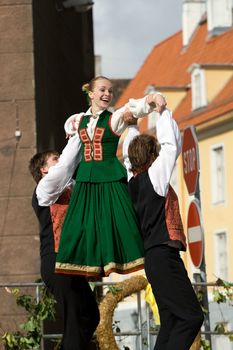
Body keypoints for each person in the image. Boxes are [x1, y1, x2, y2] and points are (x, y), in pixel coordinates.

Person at [55, 75, 166, 277]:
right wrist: (68, 130)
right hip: (86, 181)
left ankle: (123, 258)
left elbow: (133, 108)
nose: (107, 94)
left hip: (109, 179)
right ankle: (86, 262)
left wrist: (153, 98)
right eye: (102, 90)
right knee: (80, 226)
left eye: (110, 91)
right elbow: (69, 124)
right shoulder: (79, 119)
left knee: (118, 223)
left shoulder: (114, 118)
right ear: (91, 94)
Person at [123, 108, 204, 350]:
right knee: (191, 317)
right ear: (150, 157)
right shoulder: (154, 177)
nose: (160, 158)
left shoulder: (132, 182)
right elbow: (170, 147)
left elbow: (129, 158)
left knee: (170, 321)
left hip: (154, 258)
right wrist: (162, 111)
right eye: (155, 154)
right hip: (164, 256)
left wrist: (133, 127)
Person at [29, 134, 100, 350]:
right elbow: (67, 166)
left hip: (71, 262)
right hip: (56, 261)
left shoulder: (69, 188)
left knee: (90, 314)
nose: (60, 162)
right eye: (54, 160)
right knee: (75, 319)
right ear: (43, 170)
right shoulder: (45, 188)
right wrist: (76, 137)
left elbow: (76, 168)